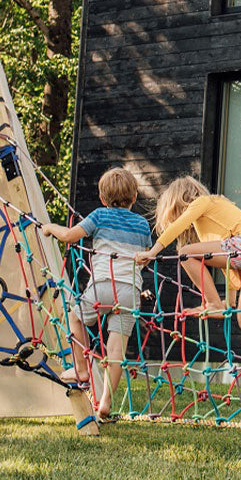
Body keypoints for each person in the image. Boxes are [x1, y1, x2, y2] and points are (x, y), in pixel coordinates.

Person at [135, 177, 241, 391]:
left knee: (184, 254)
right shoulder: (217, 216)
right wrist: (228, 302)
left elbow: (178, 227)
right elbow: (229, 265)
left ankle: (212, 302)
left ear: (180, 201)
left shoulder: (203, 202)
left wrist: (152, 252)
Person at [43, 166, 151, 420]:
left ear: (103, 199)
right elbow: (144, 256)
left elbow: (70, 236)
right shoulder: (142, 223)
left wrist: (50, 227)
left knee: (75, 317)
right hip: (130, 291)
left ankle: (81, 369)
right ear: (134, 197)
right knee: (116, 351)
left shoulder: (99, 216)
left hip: (103, 286)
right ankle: (105, 403)